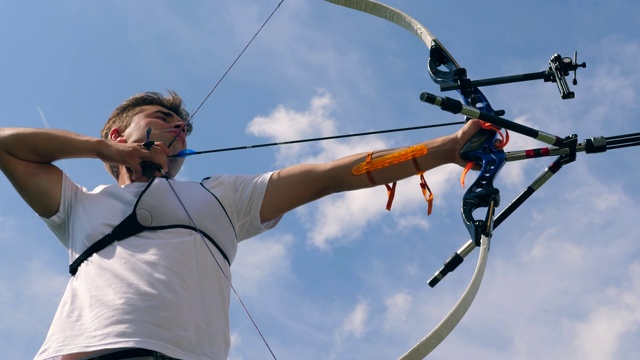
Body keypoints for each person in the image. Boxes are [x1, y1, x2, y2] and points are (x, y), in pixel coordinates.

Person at [0, 91, 483, 360]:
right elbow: (6, 144)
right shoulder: (81, 204)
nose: (179, 131)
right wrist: (102, 151)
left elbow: (331, 175)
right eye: (165, 118)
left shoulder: (219, 195)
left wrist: (442, 151)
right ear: (116, 132)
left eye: (184, 129)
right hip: (81, 352)